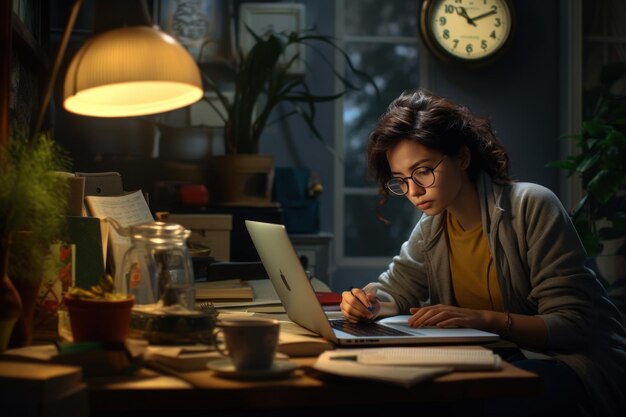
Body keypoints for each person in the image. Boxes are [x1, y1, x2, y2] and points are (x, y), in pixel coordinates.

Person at [340, 89, 626, 417]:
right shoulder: (431, 228)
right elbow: (394, 290)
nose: (414, 192)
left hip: (576, 363)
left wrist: (483, 320)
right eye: (401, 181)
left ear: (462, 158)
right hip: (501, 356)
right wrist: (368, 303)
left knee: (500, 403)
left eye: (422, 171)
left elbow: (572, 324)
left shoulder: (531, 206)